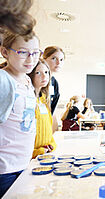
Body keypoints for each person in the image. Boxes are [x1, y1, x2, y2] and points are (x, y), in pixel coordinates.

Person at [0, 30, 40, 197]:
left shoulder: (27, 80)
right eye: (23, 52)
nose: (31, 59)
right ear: (5, 52)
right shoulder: (3, 79)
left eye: (35, 53)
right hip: (4, 169)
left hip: (23, 163)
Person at [28, 59, 57, 159]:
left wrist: (51, 144)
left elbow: (47, 127)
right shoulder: (28, 99)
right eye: (38, 73)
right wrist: (36, 152)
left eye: (46, 72)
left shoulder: (44, 98)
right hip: (31, 156)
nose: (44, 76)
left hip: (45, 154)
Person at [43, 46, 65, 115]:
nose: (58, 63)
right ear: (44, 59)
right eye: (54, 58)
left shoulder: (54, 82)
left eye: (61, 59)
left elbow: (52, 109)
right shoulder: (35, 78)